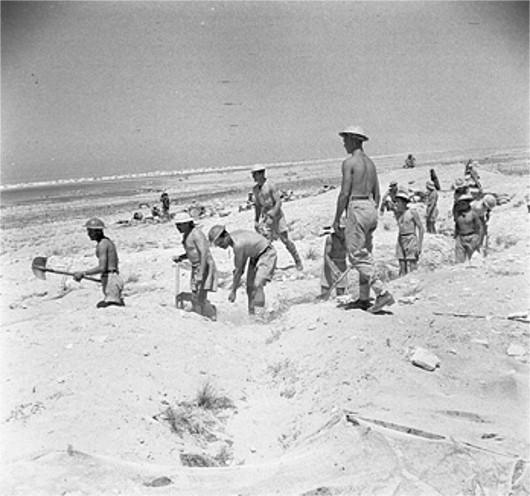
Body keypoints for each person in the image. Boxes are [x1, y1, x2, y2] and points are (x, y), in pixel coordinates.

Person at [333, 125, 394, 313]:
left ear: (353, 139)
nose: (344, 143)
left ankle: (381, 292)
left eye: (345, 140)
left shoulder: (349, 163)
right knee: (366, 253)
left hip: (357, 205)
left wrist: (337, 217)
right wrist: (371, 209)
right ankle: (364, 297)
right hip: (370, 207)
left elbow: (344, 193)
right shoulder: (371, 163)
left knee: (356, 254)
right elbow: (377, 193)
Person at [208, 225, 277, 316]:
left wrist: (233, 291)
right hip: (254, 256)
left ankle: (260, 316)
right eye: (218, 245)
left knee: (257, 284)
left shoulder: (238, 245)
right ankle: (252, 315)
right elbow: (241, 265)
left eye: (221, 244)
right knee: (250, 288)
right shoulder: (234, 238)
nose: (221, 247)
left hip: (266, 253)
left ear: (225, 236)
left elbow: (238, 271)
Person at [251, 165, 303, 270]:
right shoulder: (255, 189)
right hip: (265, 216)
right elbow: (257, 205)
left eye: (255, 174)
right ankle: (269, 266)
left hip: (277, 216)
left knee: (285, 239)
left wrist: (273, 215)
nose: (253, 177)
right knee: (266, 242)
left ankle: (297, 260)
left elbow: (278, 202)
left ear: (261, 174)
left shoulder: (270, 185)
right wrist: (256, 220)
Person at [172, 213, 218, 320]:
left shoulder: (196, 234)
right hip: (196, 266)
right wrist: (181, 257)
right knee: (196, 292)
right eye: (177, 225)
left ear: (188, 223)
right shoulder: (187, 235)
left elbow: (204, 253)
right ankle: (204, 313)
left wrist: (201, 273)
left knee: (200, 293)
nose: (178, 228)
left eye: (180, 225)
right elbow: (192, 252)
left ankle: (210, 314)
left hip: (204, 265)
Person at [73, 218, 124, 308]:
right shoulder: (106, 242)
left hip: (111, 279)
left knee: (110, 306)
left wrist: (83, 273)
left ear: (98, 232)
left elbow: (102, 268)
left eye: (90, 231)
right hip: (110, 278)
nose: (88, 234)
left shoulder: (103, 244)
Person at [395, 190, 424, 276]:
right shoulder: (398, 214)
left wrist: (419, 245)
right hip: (400, 239)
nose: (396, 204)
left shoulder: (412, 212)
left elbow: (421, 228)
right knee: (401, 264)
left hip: (411, 238)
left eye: (398, 202)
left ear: (404, 203)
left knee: (412, 264)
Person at [453, 193, 483, 263]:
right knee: (459, 262)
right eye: (460, 204)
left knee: (473, 261)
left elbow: (480, 227)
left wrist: (479, 240)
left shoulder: (473, 214)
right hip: (460, 238)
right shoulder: (457, 213)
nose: (461, 205)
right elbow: (456, 224)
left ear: (467, 204)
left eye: (463, 203)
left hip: (472, 237)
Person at [320, 223, 348, 297]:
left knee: (341, 292)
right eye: (340, 229)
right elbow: (327, 256)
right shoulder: (330, 238)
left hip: (342, 265)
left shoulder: (349, 238)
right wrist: (334, 269)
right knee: (325, 291)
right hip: (330, 265)